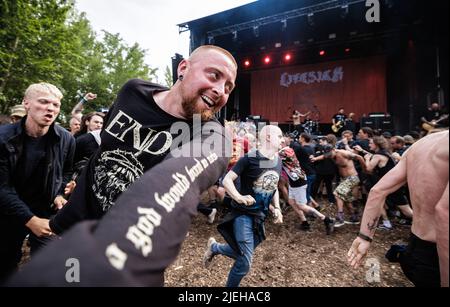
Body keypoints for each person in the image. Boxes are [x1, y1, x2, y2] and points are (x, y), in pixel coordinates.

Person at [7, 45, 238, 286]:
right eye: (214, 75)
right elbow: (105, 148)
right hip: (71, 233)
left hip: (128, 259)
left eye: (228, 87)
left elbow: (180, 177)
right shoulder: (133, 91)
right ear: (183, 68)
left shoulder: (213, 136)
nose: (220, 90)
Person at [348, 130, 448, 287]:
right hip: (438, 256)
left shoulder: (421, 144)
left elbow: (377, 191)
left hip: (416, 249)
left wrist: (364, 238)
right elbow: (444, 213)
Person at [0, 83, 75, 282]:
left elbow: (66, 171)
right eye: (43, 102)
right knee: (6, 264)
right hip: (8, 213)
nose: (50, 108)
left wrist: (60, 193)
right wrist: (30, 220)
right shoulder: (3, 138)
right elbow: (2, 187)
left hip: (46, 211)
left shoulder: (66, 139)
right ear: (27, 104)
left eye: (55, 104)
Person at [202, 125, 284, 287]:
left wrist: (277, 208)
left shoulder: (277, 160)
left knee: (242, 253)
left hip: (260, 217)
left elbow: (272, 186)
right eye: (280, 136)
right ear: (268, 137)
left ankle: (215, 247)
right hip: (243, 215)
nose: (283, 139)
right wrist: (238, 197)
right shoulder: (250, 158)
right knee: (244, 262)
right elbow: (227, 180)